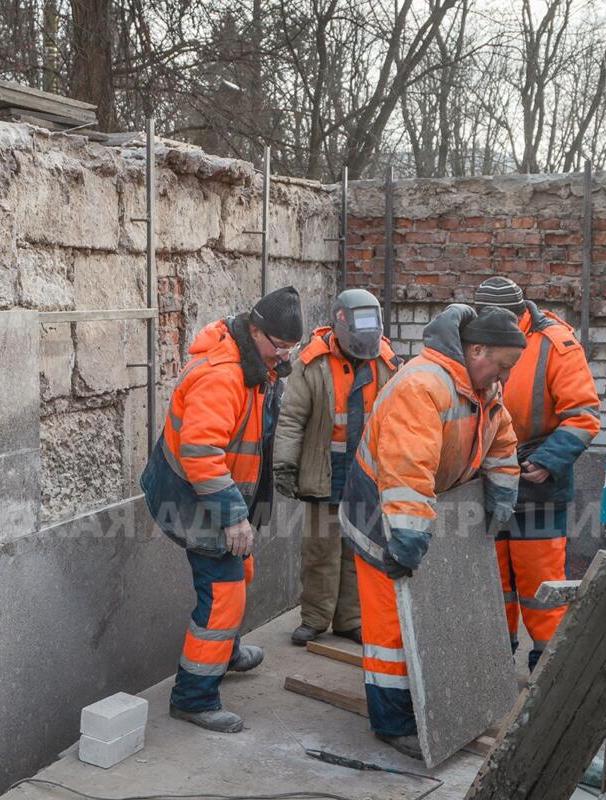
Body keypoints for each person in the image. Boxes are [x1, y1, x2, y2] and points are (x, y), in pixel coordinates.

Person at [338, 304, 525, 759]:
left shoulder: (481, 387)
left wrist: (503, 491)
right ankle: (393, 721)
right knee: (390, 629)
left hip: (421, 510)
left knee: (421, 611)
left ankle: (428, 701)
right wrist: (407, 538)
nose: (502, 376)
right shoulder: (423, 386)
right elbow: (406, 471)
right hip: (381, 516)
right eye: (500, 365)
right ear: (475, 349)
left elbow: (501, 441)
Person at [140, 286, 303, 733]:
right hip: (191, 497)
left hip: (213, 493)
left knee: (240, 574)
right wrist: (233, 515)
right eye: (279, 347)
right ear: (255, 331)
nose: (284, 357)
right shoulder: (223, 376)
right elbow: (200, 451)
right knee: (222, 596)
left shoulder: (256, 363)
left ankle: (223, 652)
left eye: (292, 348)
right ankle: (194, 697)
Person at [474, 277, 600, 670]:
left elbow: (583, 415)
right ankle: (494, 662)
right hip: (488, 479)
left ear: (518, 314)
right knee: (494, 581)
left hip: (538, 482)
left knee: (540, 584)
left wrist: (546, 461)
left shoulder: (556, 344)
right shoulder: (474, 337)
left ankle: (547, 671)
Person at [273, 289, 401, 647]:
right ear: (339, 322)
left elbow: (398, 418)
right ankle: (315, 618)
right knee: (320, 550)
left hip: (367, 474)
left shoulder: (386, 362)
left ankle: (350, 620)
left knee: (356, 549)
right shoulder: (312, 363)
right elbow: (292, 418)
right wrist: (284, 464)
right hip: (323, 471)